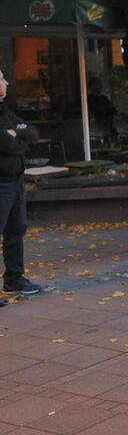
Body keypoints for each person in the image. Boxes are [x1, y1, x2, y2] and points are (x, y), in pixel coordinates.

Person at [0, 68, 42, 298]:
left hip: (15, 180)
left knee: (16, 229)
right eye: (1, 78)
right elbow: (3, 142)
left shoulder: (6, 110)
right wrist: (14, 137)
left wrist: (15, 135)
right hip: (1, 182)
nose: (6, 82)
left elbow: (32, 133)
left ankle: (14, 279)